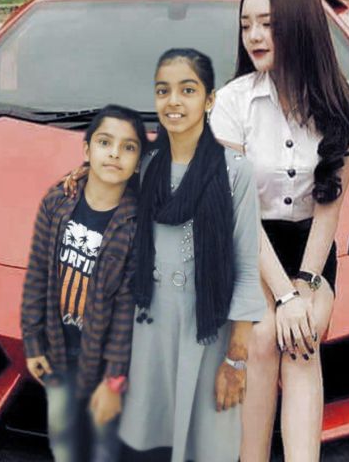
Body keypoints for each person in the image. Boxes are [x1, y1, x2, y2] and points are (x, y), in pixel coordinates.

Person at [210, 0, 349, 460]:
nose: (253, 36)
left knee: (301, 339)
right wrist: (283, 295)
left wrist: (303, 287)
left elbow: (330, 207)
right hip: (249, 245)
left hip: (309, 250)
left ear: (300, 26)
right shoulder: (233, 103)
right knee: (262, 336)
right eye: (246, 25)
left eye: (267, 24)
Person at [116, 48, 265, 462]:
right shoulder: (146, 165)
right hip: (150, 328)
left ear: (210, 99)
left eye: (187, 90)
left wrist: (236, 360)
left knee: (208, 443)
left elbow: (246, 269)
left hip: (207, 332)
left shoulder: (235, 170)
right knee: (148, 440)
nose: (174, 101)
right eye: (163, 91)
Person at [20, 104, 148, 462]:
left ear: (138, 162)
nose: (115, 153)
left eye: (128, 147)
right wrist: (33, 341)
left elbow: (126, 310)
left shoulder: (136, 226)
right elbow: (37, 274)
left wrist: (114, 380)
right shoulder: (57, 202)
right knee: (63, 434)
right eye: (105, 142)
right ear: (87, 150)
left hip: (104, 362)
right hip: (58, 352)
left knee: (105, 443)